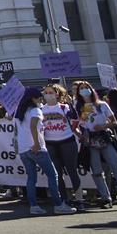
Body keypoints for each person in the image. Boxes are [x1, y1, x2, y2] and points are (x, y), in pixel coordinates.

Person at [72, 80, 117, 209]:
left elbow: (114, 122)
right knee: (96, 171)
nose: (84, 90)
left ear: (91, 89)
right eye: (81, 88)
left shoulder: (101, 105)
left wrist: (104, 126)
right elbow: (78, 125)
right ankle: (106, 198)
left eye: (86, 87)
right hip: (91, 141)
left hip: (105, 138)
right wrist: (81, 136)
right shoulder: (83, 108)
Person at [16, 86, 76, 215]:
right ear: (32, 98)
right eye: (39, 97)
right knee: (53, 175)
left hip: (23, 149)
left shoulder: (19, 112)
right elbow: (33, 126)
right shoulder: (35, 110)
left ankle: (34, 206)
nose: (41, 99)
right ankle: (58, 204)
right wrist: (37, 143)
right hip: (36, 148)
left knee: (31, 178)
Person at [39, 83, 82, 208]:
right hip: (50, 143)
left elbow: (74, 118)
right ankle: (64, 199)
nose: (48, 95)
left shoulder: (64, 107)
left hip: (67, 141)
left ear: (57, 94)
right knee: (57, 173)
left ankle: (79, 199)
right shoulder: (42, 109)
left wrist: (70, 104)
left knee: (72, 170)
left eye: (51, 92)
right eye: (46, 92)